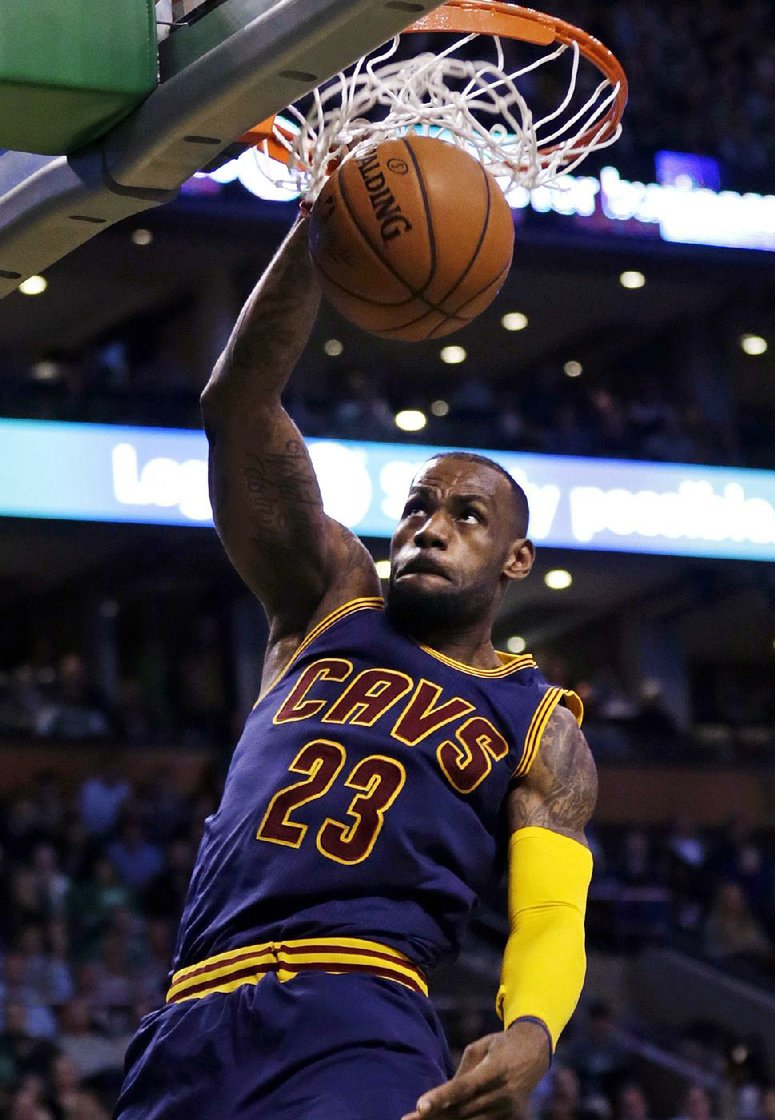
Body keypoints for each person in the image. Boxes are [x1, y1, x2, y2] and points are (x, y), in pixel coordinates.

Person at [114, 219, 597, 1120]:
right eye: (417, 506)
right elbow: (238, 409)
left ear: (516, 561)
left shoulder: (539, 723)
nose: (432, 525)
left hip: (358, 1012)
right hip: (192, 1010)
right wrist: (317, 230)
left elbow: (548, 913)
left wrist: (532, 1027)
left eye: (467, 515)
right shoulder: (327, 601)